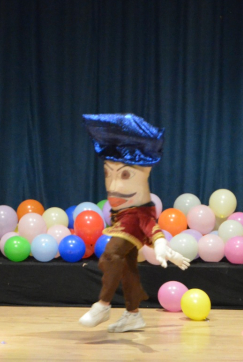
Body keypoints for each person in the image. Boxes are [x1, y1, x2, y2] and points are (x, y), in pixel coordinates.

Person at [79, 114, 190, 333]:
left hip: (134, 213)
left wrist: (161, 243)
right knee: (127, 266)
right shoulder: (115, 157)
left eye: (124, 175)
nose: (112, 184)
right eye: (107, 174)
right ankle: (133, 314)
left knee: (111, 254)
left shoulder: (140, 166)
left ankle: (103, 305)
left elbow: (147, 221)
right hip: (120, 214)